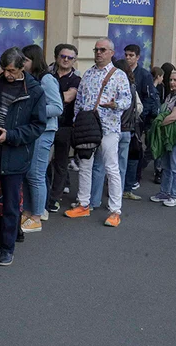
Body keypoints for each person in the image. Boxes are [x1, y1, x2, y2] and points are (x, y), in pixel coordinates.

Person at [0, 48, 46, 266]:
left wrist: (11, 135)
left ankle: (7, 248)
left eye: (12, 71)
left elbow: (37, 126)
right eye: (5, 70)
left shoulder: (35, 90)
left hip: (14, 154)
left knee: (12, 207)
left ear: (22, 68)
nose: (8, 75)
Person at [65, 38, 132, 227]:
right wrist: (76, 121)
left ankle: (115, 210)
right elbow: (79, 100)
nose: (98, 53)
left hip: (109, 127)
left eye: (102, 50)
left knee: (111, 168)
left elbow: (127, 101)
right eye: (96, 49)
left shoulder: (118, 75)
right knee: (85, 165)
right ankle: (84, 204)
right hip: (88, 127)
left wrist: (115, 105)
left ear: (111, 52)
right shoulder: (88, 74)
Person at [20, 45, 62, 232]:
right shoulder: (31, 79)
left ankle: (37, 215)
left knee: (36, 174)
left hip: (44, 132)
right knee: (29, 173)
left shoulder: (46, 79)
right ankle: (28, 212)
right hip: (33, 131)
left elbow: (57, 107)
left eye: (26, 60)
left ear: (34, 60)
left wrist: (33, 112)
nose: (23, 64)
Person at [88, 59, 138, 208]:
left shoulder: (113, 84)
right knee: (118, 167)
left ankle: (94, 201)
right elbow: (137, 107)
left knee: (99, 166)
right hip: (126, 129)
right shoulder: (131, 87)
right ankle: (116, 199)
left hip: (110, 127)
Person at [47, 44, 80, 213]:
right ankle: (44, 196)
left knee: (60, 163)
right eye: (63, 56)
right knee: (44, 163)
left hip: (65, 126)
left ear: (74, 60)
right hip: (46, 125)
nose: (66, 60)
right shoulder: (48, 74)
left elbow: (69, 97)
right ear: (56, 57)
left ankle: (54, 198)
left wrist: (50, 97)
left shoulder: (76, 79)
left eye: (70, 57)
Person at [150, 71, 176, 206]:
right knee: (166, 166)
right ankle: (164, 192)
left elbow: (174, 116)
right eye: (171, 79)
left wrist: (157, 124)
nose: (172, 82)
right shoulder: (170, 95)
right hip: (168, 136)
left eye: (175, 80)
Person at [123, 43, 158, 193]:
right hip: (124, 118)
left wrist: (142, 115)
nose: (128, 58)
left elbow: (149, 97)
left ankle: (135, 177)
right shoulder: (121, 72)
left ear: (137, 57)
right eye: (126, 55)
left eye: (131, 55)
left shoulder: (144, 74)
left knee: (136, 148)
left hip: (138, 118)